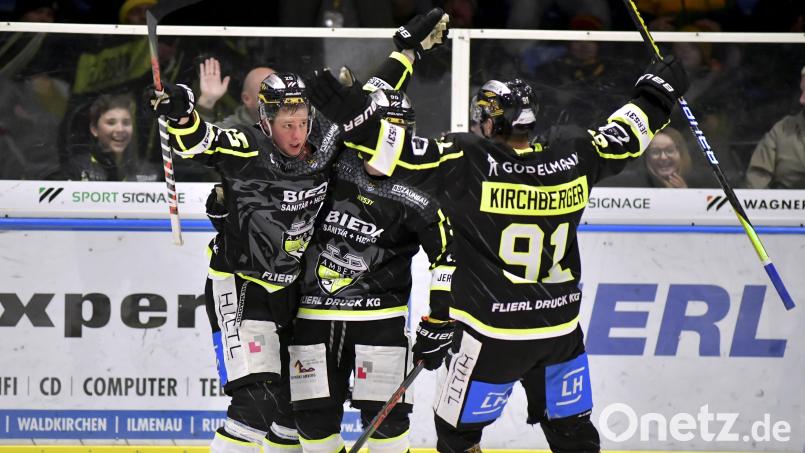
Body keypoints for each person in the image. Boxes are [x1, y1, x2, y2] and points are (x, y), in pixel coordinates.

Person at [308, 54, 688, 452]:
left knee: (457, 436)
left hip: (491, 336)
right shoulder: (575, 153)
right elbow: (627, 134)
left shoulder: (469, 160)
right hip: (560, 331)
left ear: (491, 122)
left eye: (481, 118)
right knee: (572, 431)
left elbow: (392, 153)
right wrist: (658, 94)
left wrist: (351, 113)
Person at [150, 9, 449, 453]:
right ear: (264, 118)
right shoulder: (247, 147)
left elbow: (372, 100)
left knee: (291, 414)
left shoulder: (327, 141)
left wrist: (406, 52)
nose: (295, 133)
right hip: (242, 281)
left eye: (301, 120)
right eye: (285, 123)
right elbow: (198, 140)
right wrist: (181, 113)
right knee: (257, 404)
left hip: (290, 291)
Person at [289, 91, 455, 453]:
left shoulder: (421, 191)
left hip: (380, 322)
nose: (391, 142)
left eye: (400, 131)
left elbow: (447, 256)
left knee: (387, 425)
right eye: (383, 129)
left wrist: (440, 319)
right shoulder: (329, 163)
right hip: (315, 317)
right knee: (312, 423)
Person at [65, 93, 159, 181]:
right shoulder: (77, 169)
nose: (120, 129)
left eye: (126, 123)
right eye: (111, 123)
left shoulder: (148, 172)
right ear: (94, 129)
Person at [745, 64, 805, 189]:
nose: (802, 100)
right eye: (802, 90)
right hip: (784, 206)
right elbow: (757, 179)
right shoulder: (782, 130)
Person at [196, 58, 276, 129]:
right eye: (270, 94)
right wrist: (207, 100)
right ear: (247, 99)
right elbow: (195, 140)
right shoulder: (230, 134)